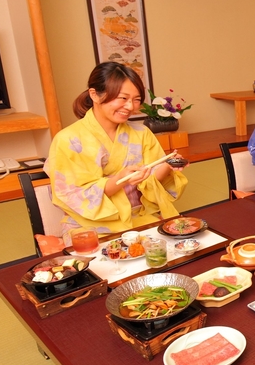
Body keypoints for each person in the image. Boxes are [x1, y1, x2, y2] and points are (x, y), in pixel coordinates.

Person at [38, 62, 188, 253]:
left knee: (176, 251)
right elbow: (73, 195)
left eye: (136, 100)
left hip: (138, 218)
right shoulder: (68, 140)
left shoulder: (142, 133)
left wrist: (167, 166)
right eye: (123, 98)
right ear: (94, 94)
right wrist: (119, 180)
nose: (130, 107)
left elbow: (151, 184)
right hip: (90, 225)